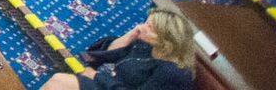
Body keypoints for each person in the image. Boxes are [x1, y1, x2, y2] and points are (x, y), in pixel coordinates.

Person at [40, 8, 198, 90]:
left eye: (148, 27)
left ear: (165, 37)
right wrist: (129, 36)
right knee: (58, 81)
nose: (140, 27)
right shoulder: (145, 46)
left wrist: (96, 77)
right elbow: (102, 55)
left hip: (103, 83)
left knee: (59, 83)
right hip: (103, 83)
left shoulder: (172, 73)